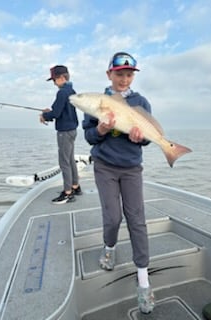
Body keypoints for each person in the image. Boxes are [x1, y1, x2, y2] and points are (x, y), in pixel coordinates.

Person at [82, 52, 155, 314]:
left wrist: (142, 138)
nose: (124, 79)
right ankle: (110, 248)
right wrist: (100, 130)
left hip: (132, 168)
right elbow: (89, 137)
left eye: (129, 74)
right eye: (119, 74)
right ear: (109, 74)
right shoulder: (98, 102)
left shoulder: (141, 102)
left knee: (137, 219)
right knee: (113, 217)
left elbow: (146, 137)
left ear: (132, 76)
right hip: (104, 167)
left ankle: (144, 280)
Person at [40, 65, 82, 204]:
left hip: (64, 132)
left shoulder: (62, 92)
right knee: (70, 160)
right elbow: (60, 110)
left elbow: (56, 113)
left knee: (64, 162)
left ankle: (67, 193)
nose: (53, 83)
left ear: (62, 78)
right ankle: (75, 187)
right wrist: (48, 112)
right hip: (72, 130)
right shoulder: (71, 90)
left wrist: (45, 116)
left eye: (54, 79)